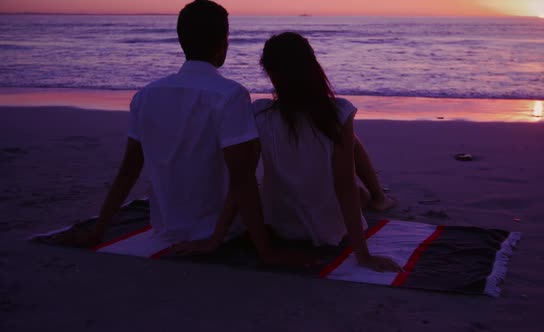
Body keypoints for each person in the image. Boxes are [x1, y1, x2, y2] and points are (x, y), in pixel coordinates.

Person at [56, 0, 297, 266]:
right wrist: (264, 252)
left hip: (165, 227)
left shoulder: (146, 95)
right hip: (220, 229)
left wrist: (99, 230)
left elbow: (128, 171)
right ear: (223, 43)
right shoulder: (231, 95)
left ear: (181, 40)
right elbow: (243, 179)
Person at [192, 32, 401, 272]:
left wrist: (215, 239)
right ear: (312, 67)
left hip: (281, 225)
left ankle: (374, 197)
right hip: (329, 229)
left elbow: (242, 180)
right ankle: (378, 198)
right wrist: (363, 255)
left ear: (270, 74)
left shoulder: (260, 113)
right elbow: (344, 185)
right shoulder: (338, 112)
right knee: (352, 175)